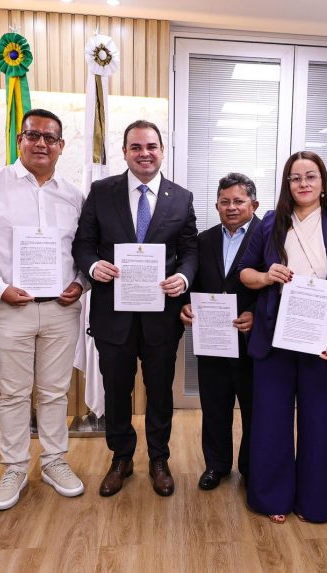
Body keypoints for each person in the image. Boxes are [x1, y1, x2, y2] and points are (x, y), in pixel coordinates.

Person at [0, 109, 86, 510]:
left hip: (61, 309)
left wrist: (80, 283)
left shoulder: (74, 194)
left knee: (55, 392)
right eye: (33, 135)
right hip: (9, 307)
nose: (41, 143)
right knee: (13, 393)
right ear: (20, 140)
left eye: (50, 138)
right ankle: (14, 467)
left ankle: (53, 461)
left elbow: (85, 248)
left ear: (61, 146)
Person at [72, 119, 198, 497]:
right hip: (113, 316)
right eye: (136, 147)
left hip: (162, 316)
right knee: (116, 390)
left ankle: (159, 459)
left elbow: (190, 251)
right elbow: (83, 244)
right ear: (125, 152)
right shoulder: (101, 192)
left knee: (159, 392)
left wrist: (184, 278)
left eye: (151, 146)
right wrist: (93, 266)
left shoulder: (181, 198)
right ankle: (121, 458)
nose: (145, 154)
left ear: (162, 151)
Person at [239, 151, 327, 524]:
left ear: (323, 183)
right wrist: (266, 276)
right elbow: (245, 273)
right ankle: (272, 496)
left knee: (318, 422)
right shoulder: (270, 223)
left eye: (311, 176)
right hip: (274, 336)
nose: (303, 183)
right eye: (295, 177)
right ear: (287, 184)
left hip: (322, 338)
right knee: (271, 420)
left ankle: (312, 501)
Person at [180, 173, 260, 490]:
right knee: (214, 407)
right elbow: (193, 281)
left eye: (238, 201)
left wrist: (256, 313)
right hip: (213, 341)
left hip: (252, 342)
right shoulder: (205, 240)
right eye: (224, 201)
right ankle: (216, 465)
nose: (231, 207)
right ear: (216, 205)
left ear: (254, 204)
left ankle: (251, 468)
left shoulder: (268, 237)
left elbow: (277, 285)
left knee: (254, 409)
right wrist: (186, 305)